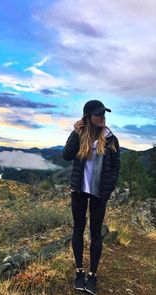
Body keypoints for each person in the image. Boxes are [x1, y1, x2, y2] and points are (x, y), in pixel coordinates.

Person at [62, 100, 120, 295]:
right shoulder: (80, 136)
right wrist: (74, 133)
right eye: (98, 114)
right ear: (88, 118)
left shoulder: (111, 139)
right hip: (79, 190)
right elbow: (66, 155)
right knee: (78, 229)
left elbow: (115, 167)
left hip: (98, 194)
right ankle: (79, 271)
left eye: (104, 113)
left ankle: (92, 275)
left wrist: (108, 189)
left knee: (96, 233)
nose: (102, 116)